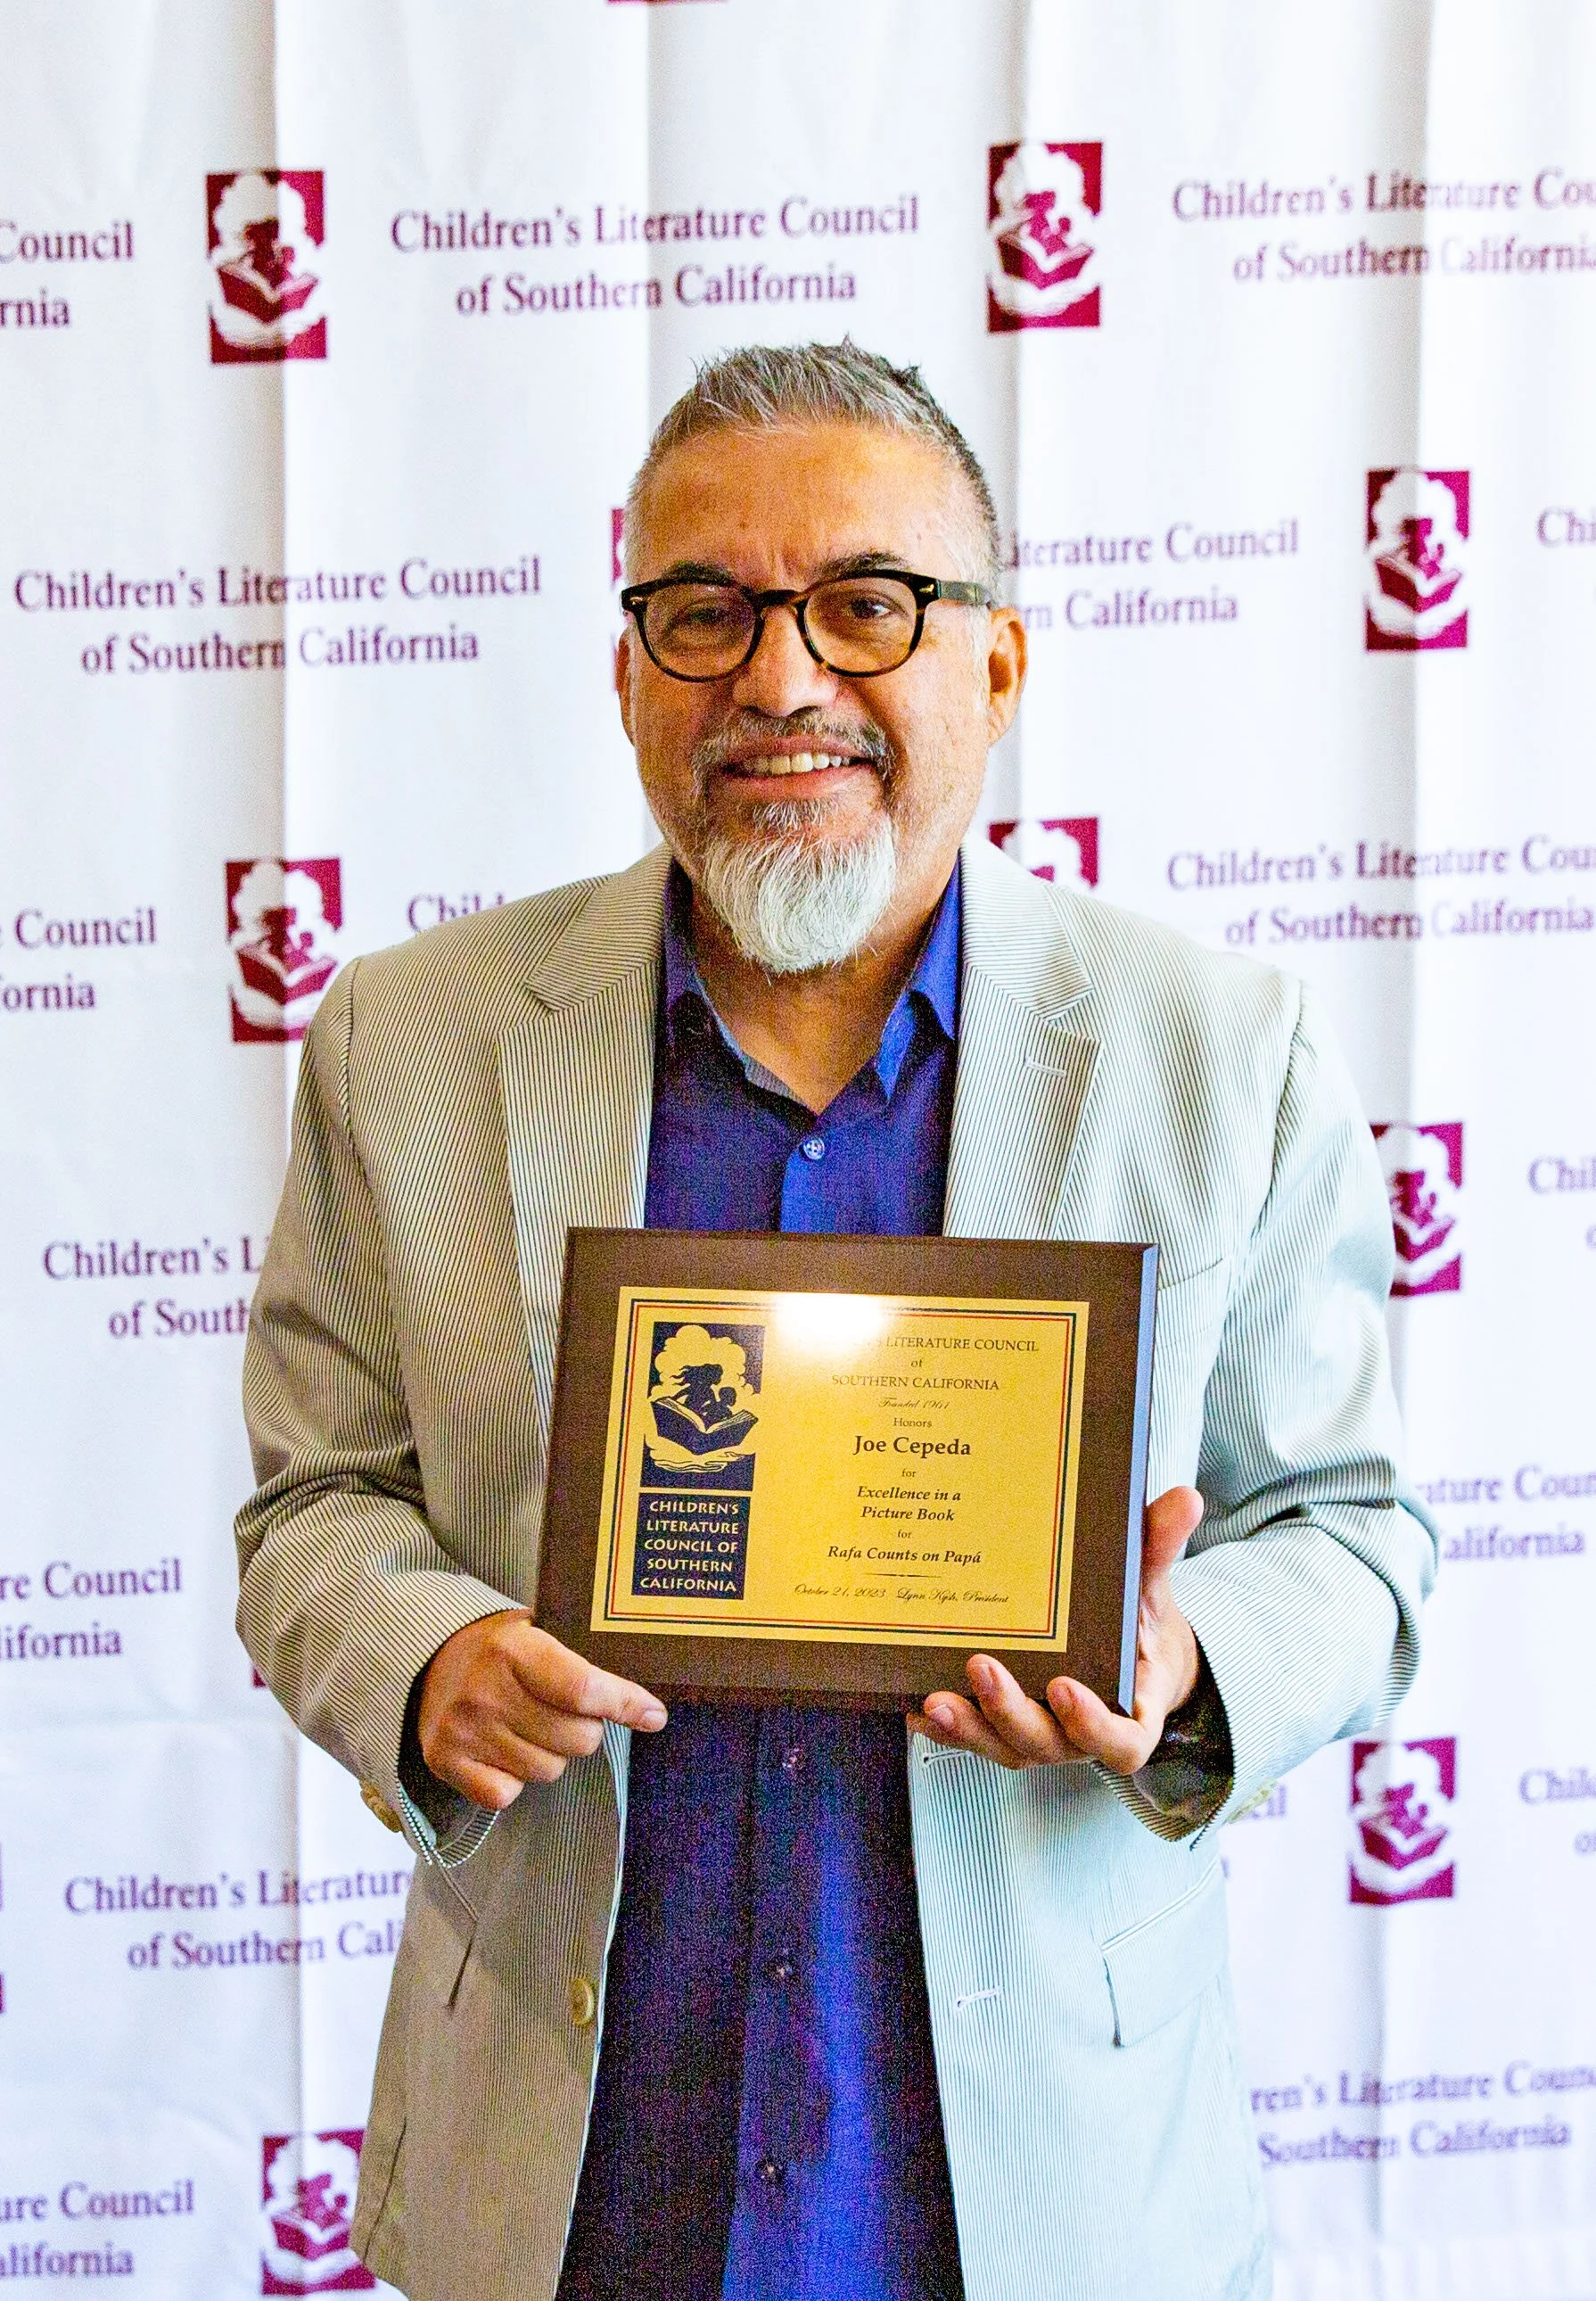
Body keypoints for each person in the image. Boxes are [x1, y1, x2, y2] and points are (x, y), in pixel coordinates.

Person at [236, 342, 1435, 2301]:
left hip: (1032, 2189)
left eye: (866, 605)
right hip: (566, 2168)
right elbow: (314, 1510)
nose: (779, 680)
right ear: (629, 671)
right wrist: (423, 1655)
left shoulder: (1224, 1054)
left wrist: (1182, 1659)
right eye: (704, 612)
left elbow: (1357, 1536)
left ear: (998, 666)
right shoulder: (411, 1040)